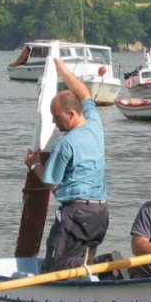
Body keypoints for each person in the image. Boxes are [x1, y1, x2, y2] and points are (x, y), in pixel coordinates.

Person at [25, 57, 108, 273]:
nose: (53, 122)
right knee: (78, 270)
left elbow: (51, 183)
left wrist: (34, 165)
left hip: (76, 215)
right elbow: (85, 94)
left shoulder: (66, 144)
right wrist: (62, 70)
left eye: (56, 117)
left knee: (54, 268)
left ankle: (104, 265)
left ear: (71, 114)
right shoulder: (95, 124)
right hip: (100, 213)